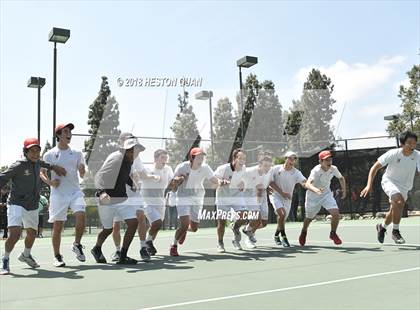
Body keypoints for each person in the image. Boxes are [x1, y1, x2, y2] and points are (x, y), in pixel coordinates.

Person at [0, 138, 66, 275]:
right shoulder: (18, 165)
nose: (35, 154)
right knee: (15, 234)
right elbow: (3, 177)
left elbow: (46, 164)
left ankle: (26, 255)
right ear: (25, 152)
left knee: (32, 233)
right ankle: (5, 259)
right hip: (16, 203)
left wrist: (55, 167)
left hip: (33, 204)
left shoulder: (38, 163)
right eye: (32, 151)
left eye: (37, 151)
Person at [91, 137, 144, 264]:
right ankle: (96, 249)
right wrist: (102, 193)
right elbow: (99, 176)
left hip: (121, 199)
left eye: (136, 151)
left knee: (133, 223)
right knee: (108, 229)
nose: (134, 153)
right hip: (107, 200)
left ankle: (123, 256)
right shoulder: (116, 159)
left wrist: (131, 183)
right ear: (125, 150)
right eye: (131, 150)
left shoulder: (129, 161)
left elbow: (123, 176)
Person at [361, 131, 420, 244]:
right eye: (409, 142)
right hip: (389, 181)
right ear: (402, 144)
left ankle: (382, 227)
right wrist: (369, 185)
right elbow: (374, 168)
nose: (412, 145)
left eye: (414, 143)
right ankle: (395, 232)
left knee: (394, 210)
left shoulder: (417, 155)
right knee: (399, 202)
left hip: (405, 186)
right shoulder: (393, 153)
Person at [41, 123, 87, 267]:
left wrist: (81, 170)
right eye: (66, 131)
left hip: (75, 191)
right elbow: (41, 172)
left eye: (70, 132)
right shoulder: (49, 154)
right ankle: (57, 256)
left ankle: (77, 244)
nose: (69, 134)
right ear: (59, 135)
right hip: (58, 194)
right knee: (58, 226)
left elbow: (82, 172)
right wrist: (50, 182)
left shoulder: (78, 153)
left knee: (81, 215)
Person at [168, 147, 222, 256]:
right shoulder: (182, 167)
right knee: (184, 224)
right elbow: (172, 187)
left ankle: (184, 232)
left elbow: (214, 179)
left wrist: (222, 181)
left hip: (198, 198)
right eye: (198, 156)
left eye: (202, 156)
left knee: (194, 228)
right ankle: (173, 245)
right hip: (183, 197)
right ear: (192, 158)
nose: (201, 159)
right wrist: (177, 181)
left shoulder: (205, 168)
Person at [110, 132, 153, 262]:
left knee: (141, 217)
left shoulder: (137, 157)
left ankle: (143, 247)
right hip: (120, 194)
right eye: (129, 139)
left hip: (134, 194)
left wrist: (141, 176)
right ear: (121, 142)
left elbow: (141, 172)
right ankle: (118, 250)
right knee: (116, 225)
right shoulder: (115, 157)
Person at [299, 150, 347, 246]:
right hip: (312, 197)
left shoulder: (333, 169)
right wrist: (316, 190)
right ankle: (304, 232)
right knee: (309, 218)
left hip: (326, 194)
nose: (329, 162)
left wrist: (344, 191)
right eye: (326, 160)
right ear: (320, 162)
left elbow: (341, 178)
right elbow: (308, 184)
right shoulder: (315, 171)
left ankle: (333, 233)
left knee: (335, 213)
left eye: (330, 159)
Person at [269, 151, 307, 247]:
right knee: (282, 214)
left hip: (287, 199)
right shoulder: (275, 169)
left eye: (294, 159)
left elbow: (304, 182)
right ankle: (284, 237)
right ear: (285, 158)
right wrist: (282, 193)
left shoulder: (296, 173)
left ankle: (276, 235)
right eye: (290, 158)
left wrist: (310, 185)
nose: (292, 160)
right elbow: (270, 182)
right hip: (275, 195)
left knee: (282, 219)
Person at [140, 149, 173, 255]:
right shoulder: (147, 168)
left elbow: (171, 183)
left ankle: (148, 244)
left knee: (157, 226)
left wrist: (177, 182)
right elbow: (141, 176)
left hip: (160, 202)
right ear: (155, 159)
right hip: (146, 202)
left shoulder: (168, 169)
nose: (164, 161)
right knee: (157, 222)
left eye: (166, 158)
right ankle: (147, 243)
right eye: (162, 158)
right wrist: (153, 176)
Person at [214, 148, 247, 252]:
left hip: (237, 196)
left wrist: (243, 184)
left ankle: (235, 227)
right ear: (234, 158)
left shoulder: (244, 168)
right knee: (222, 222)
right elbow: (213, 181)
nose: (242, 161)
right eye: (240, 158)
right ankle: (220, 243)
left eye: (244, 159)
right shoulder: (223, 168)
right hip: (223, 198)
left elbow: (244, 182)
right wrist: (220, 182)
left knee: (244, 216)